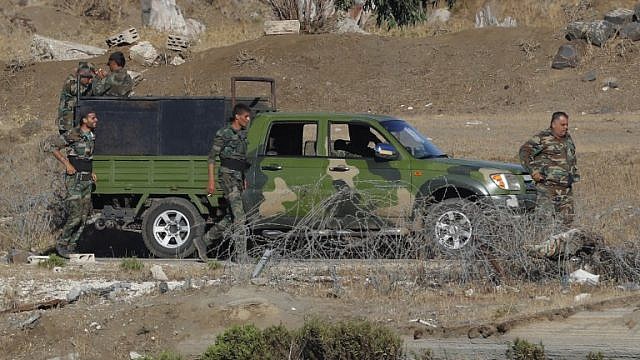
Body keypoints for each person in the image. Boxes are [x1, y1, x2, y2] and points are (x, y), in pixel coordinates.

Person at [196, 103, 251, 262]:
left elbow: (241, 159)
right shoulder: (224, 133)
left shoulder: (243, 134)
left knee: (231, 217)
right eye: (246, 116)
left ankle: (204, 241)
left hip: (238, 177)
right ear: (237, 117)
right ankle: (241, 256)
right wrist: (211, 182)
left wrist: (244, 178)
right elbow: (212, 158)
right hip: (227, 177)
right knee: (240, 217)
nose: (248, 119)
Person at [49, 109, 98, 257]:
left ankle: (71, 246)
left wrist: (91, 172)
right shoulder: (74, 134)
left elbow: (86, 157)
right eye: (93, 117)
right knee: (75, 215)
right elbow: (52, 147)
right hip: (74, 178)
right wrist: (66, 164)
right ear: (84, 120)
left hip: (86, 179)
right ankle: (62, 243)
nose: (96, 120)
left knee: (83, 217)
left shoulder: (92, 135)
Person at [519, 111, 579, 226]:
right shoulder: (542, 138)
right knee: (544, 223)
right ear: (553, 124)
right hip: (547, 188)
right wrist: (533, 171)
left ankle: (561, 244)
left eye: (567, 124)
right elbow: (524, 152)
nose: (565, 127)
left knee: (566, 224)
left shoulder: (568, 139)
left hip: (565, 189)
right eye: (562, 125)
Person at [57, 62, 95, 134]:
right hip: (67, 122)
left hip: (77, 121)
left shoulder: (85, 85)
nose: (89, 80)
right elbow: (77, 91)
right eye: (88, 77)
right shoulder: (71, 81)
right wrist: (88, 84)